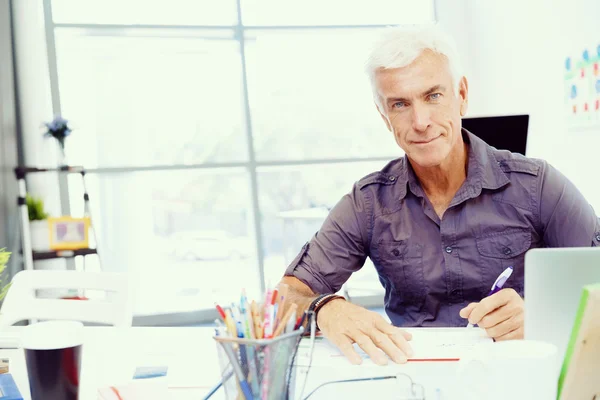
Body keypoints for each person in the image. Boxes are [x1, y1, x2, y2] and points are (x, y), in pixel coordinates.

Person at [278, 24, 600, 366]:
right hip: (416, 383)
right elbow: (286, 298)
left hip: (522, 375)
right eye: (400, 104)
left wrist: (541, 316)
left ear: (461, 95)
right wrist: (326, 308)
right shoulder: (368, 203)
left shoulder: (537, 184)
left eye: (433, 95)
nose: (420, 121)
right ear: (384, 116)